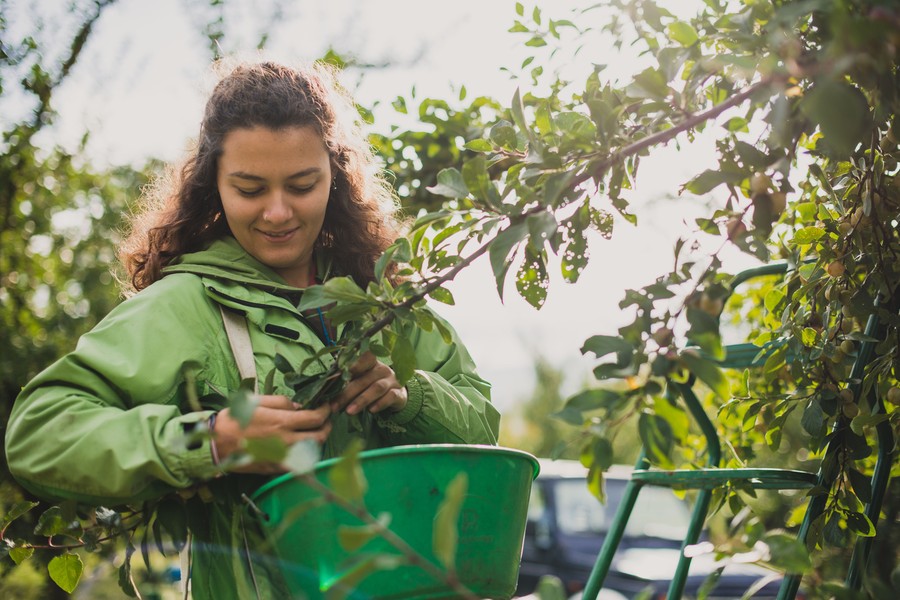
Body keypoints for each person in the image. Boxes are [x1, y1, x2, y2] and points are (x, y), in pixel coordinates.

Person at [5, 59, 500, 599]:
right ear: (211, 184)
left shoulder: (381, 294)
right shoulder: (183, 307)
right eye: (250, 188)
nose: (278, 212)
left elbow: (485, 435)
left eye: (302, 184)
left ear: (334, 176)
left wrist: (412, 398)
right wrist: (211, 440)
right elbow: (39, 433)